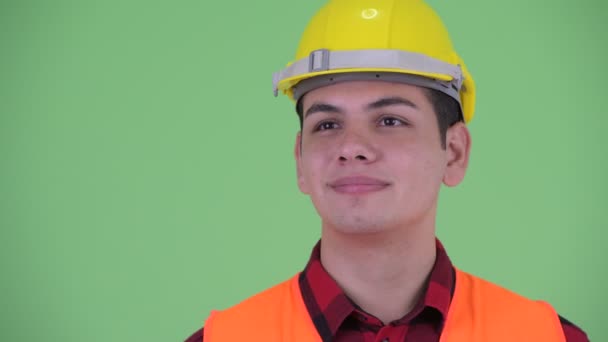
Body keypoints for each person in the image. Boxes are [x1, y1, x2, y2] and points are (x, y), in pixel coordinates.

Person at [186, 0, 589, 340]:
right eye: (327, 125)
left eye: (390, 120)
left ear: (454, 152)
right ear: (300, 162)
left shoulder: (547, 335)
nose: (351, 148)